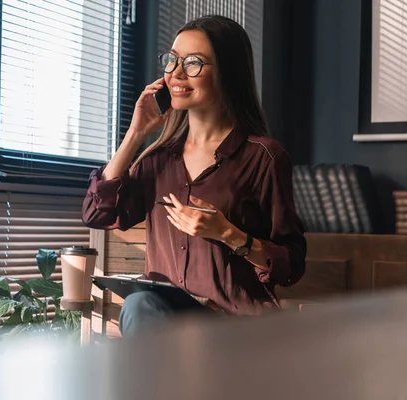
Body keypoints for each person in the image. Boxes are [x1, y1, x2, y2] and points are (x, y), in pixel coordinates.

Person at [81, 15, 306, 335]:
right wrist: (135, 134)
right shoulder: (157, 159)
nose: (175, 73)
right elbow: (97, 214)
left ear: (227, 74)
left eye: (193, 63)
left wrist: (228, 234)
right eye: (172, 60)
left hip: (234, 330)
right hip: (164, 325)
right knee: (140, 303)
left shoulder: (264, 158)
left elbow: (292, 264)